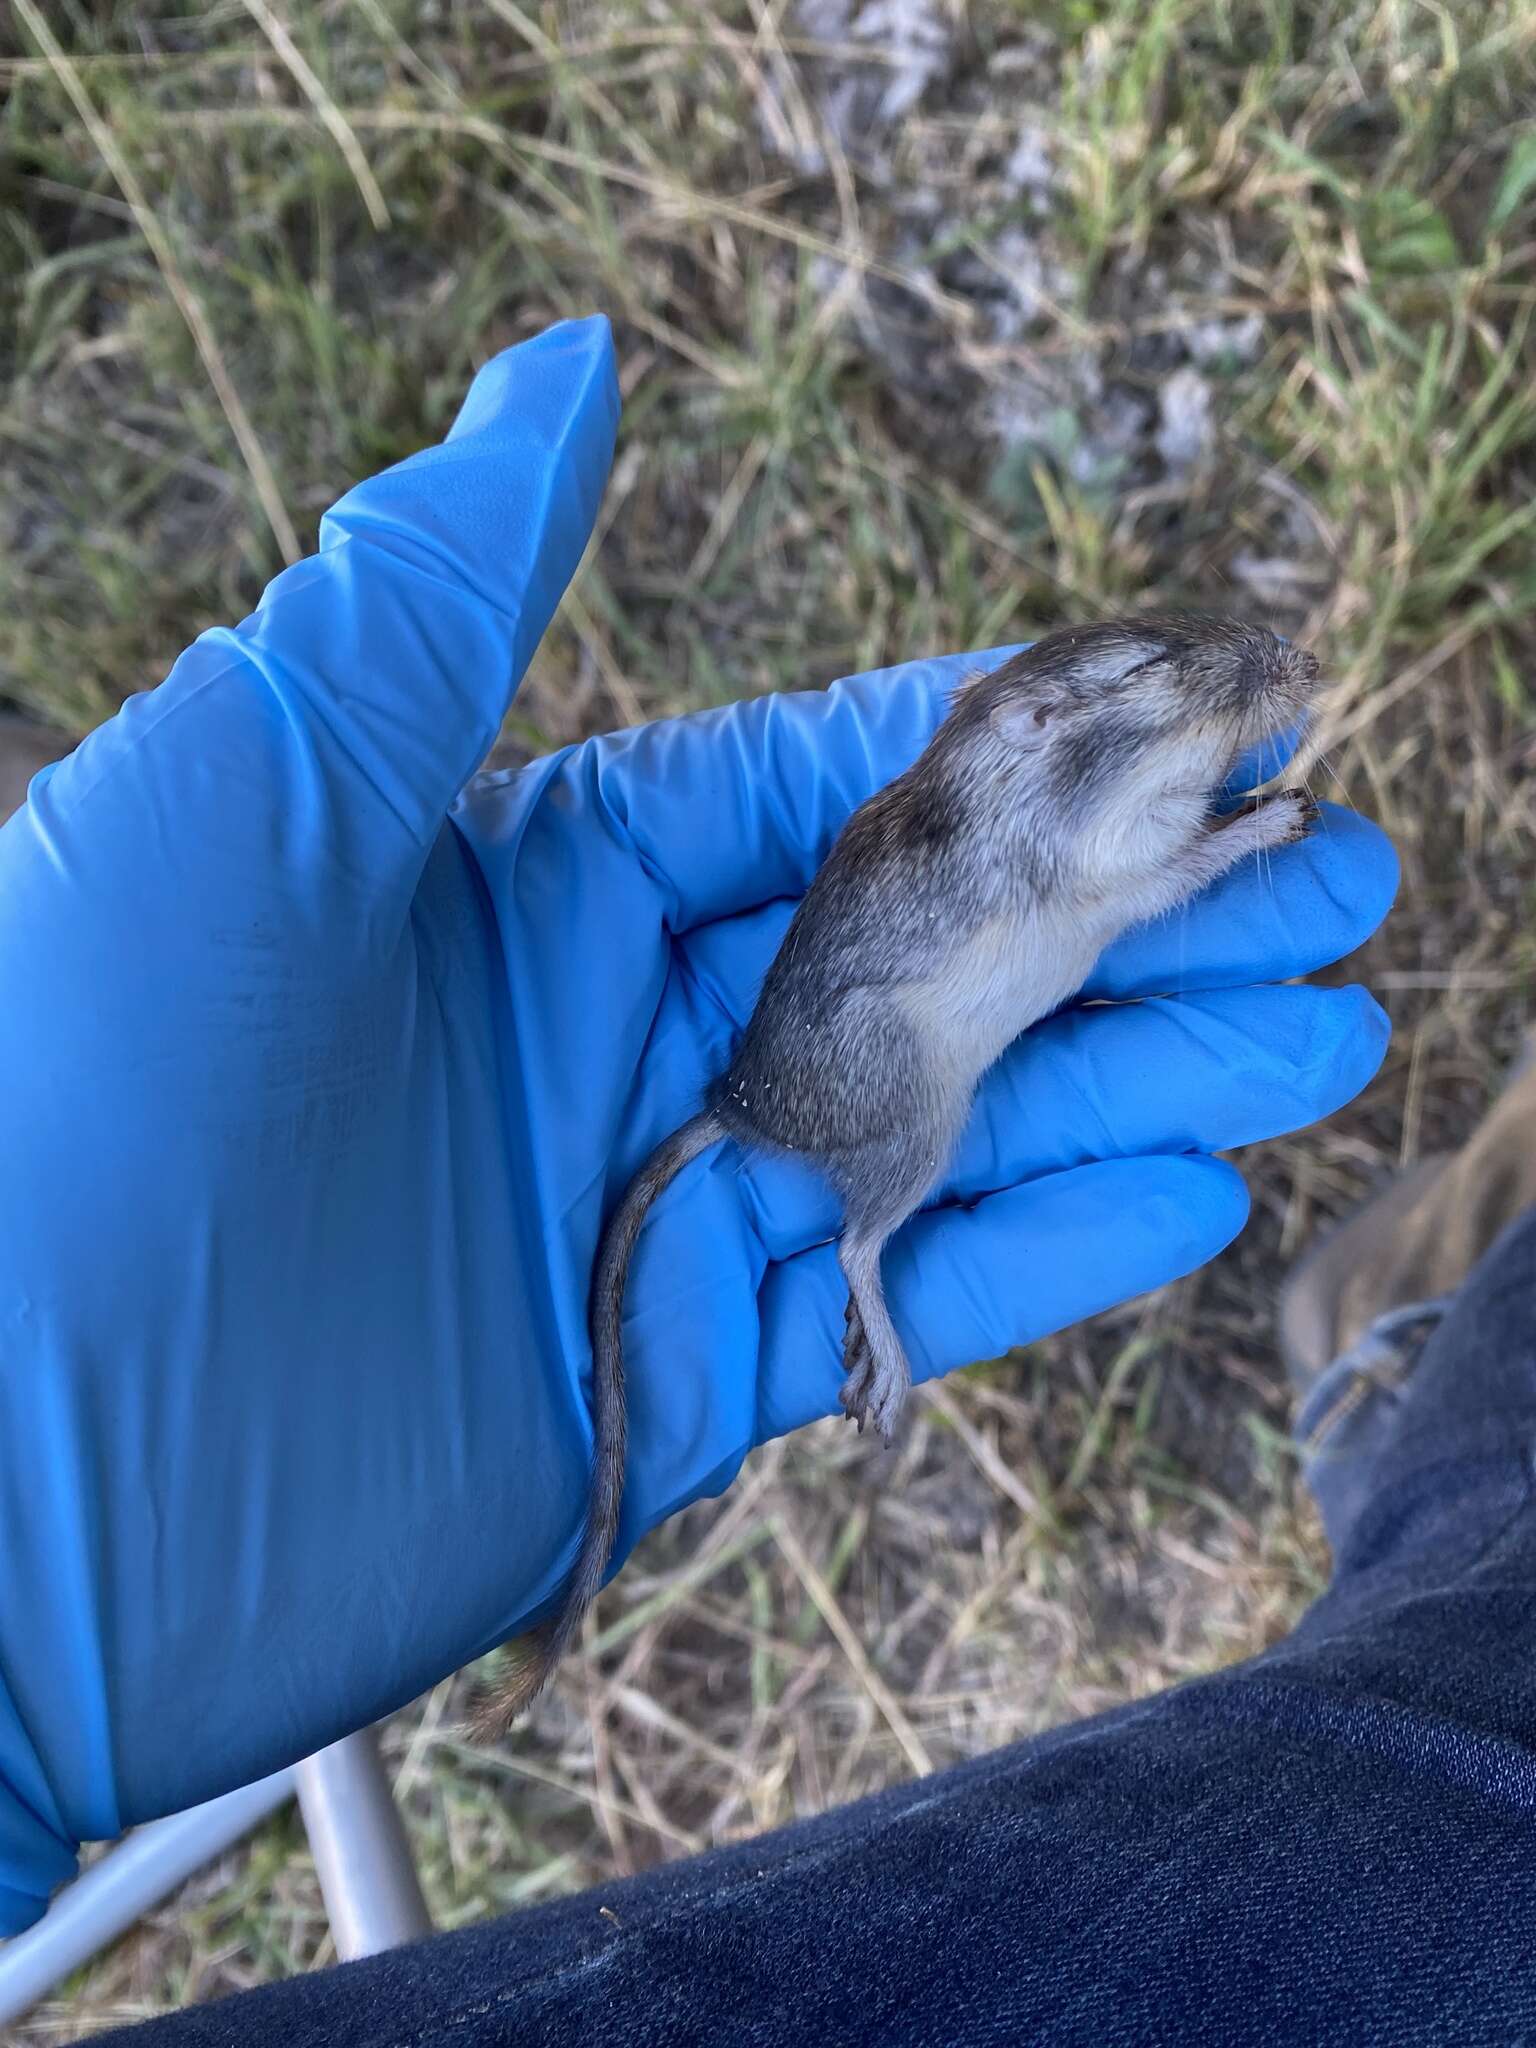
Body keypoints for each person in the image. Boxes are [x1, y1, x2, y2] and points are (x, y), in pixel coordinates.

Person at [11, 314, 1507, 2045]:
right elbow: (1112, 890)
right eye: (1192, 690)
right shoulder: (1065, 825)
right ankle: (871, 1271)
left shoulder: (1037, 781)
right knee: (925, 1137)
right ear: (1048, 735)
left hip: (830, 1014)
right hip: (852, 1056)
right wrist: (1232, 833)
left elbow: (1114, 873)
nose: (1250, 690)